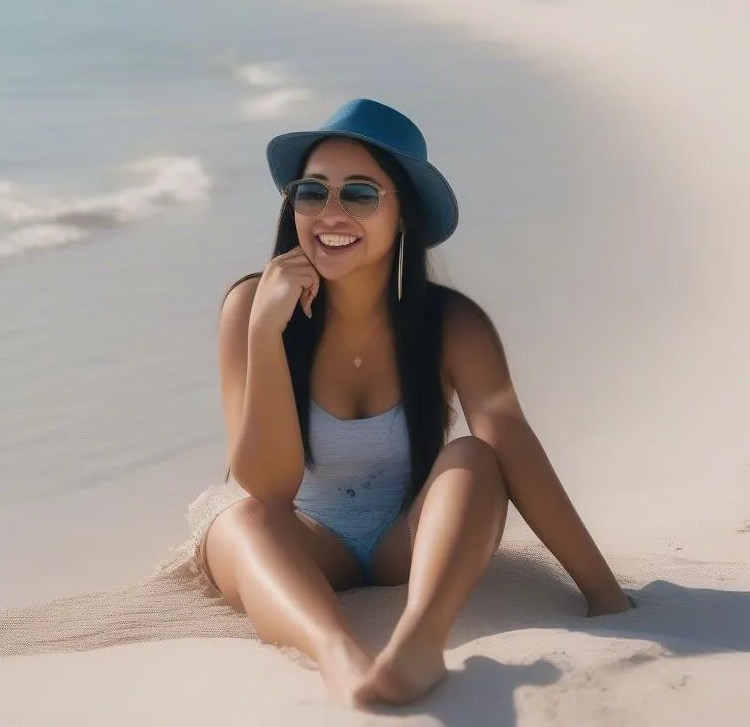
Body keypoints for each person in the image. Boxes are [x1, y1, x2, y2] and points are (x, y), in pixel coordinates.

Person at [198, 98, 631, 708]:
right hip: (303, 541)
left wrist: (603, 593)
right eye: (312, 192)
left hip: (410, 538)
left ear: (404, 216)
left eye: (360, 194)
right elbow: (268, 487)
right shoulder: (250, 308)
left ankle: (419, 642)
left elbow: (515, 451)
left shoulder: (453, 324)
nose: (331, 213)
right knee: (241, 518)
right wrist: (266, 334)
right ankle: (339, 659)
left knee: (474, 456)